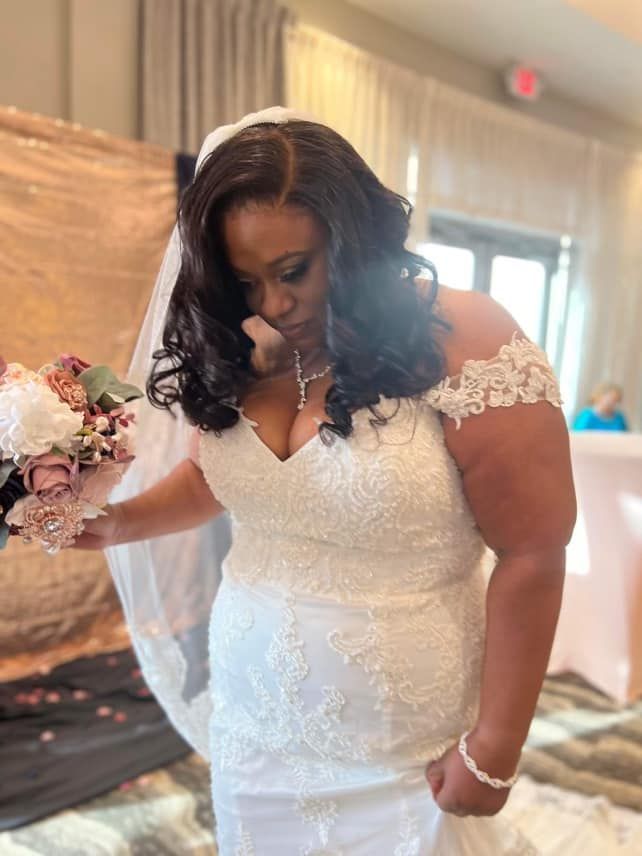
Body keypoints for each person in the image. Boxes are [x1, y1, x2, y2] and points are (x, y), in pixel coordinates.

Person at [75, 108, 577, 854]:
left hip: (406, 747)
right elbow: (226, 479)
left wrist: (496, 748)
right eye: (246, 281)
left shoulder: (467, 340)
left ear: (355, 241)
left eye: (294, 272)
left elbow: (534, 553)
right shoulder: (251, 347)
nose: (274, 306)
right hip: (252, 727)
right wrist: (114, 522)